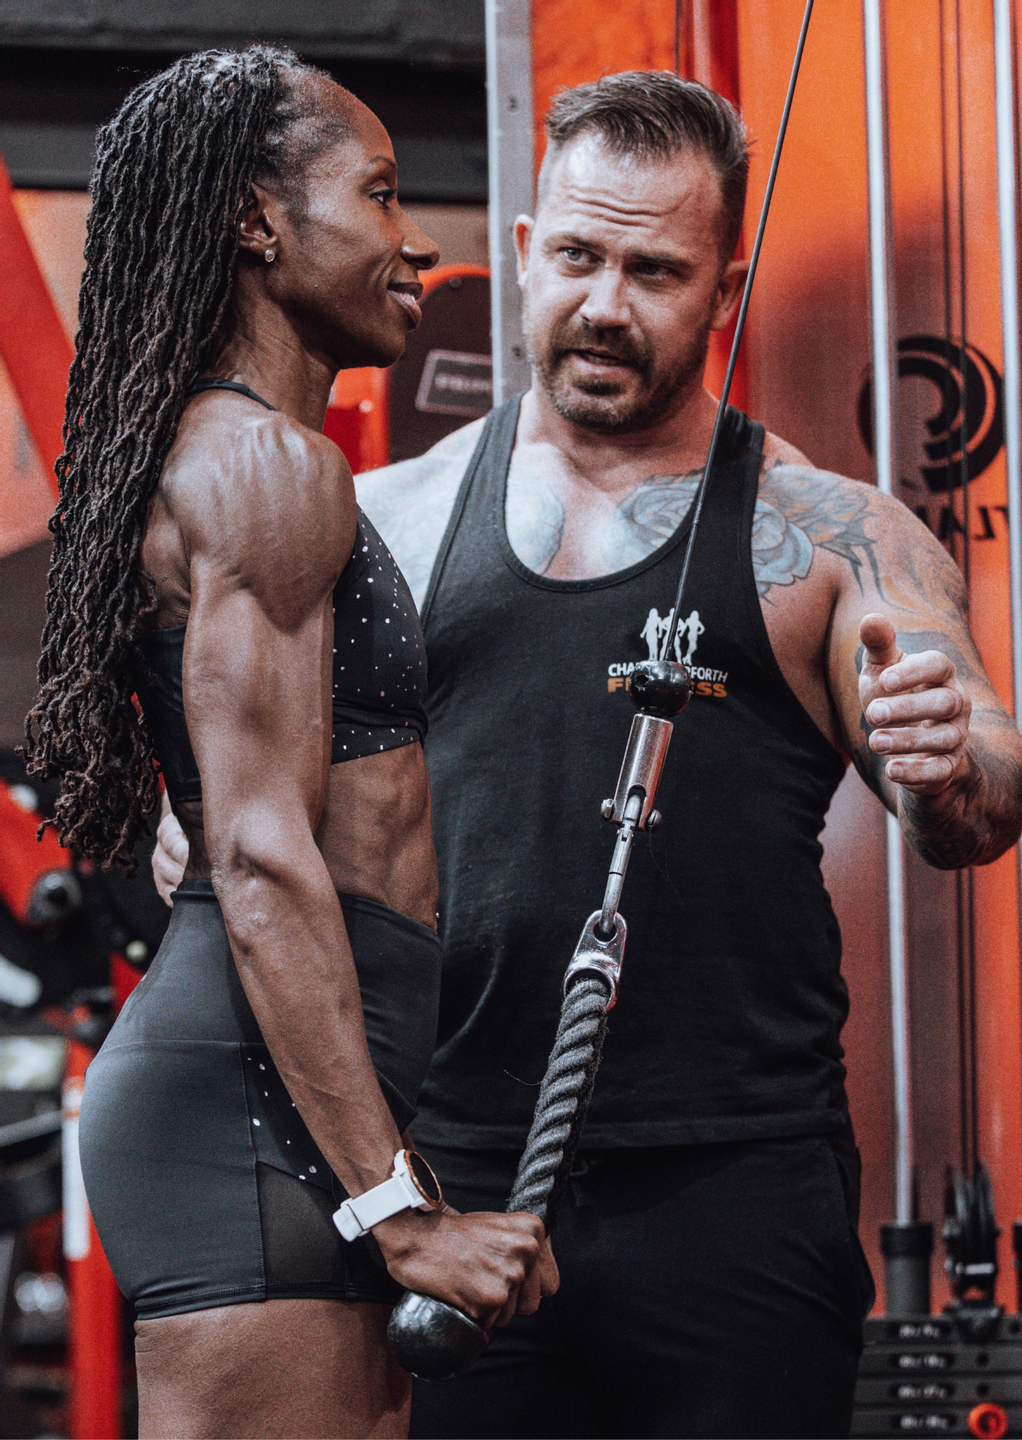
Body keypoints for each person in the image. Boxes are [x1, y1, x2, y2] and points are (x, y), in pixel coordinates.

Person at [155, 72, 1022, 1439]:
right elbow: (253, 816)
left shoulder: (829, 534)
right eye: (576, 256)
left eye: (655, 271)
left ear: (724, 290)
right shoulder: (384, 522)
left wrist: (948, 756)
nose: (605, 303)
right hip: (454, 1170)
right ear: (522, 251)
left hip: (737, 1188)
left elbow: (976, 786)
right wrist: (207, 822)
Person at [25, 47, 555, 1440]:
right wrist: (400, 1211)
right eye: (378, 193)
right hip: (247, 1113)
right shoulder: (266, 466)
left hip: (304, 1102)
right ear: (258, 220)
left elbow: (231, 804)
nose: (415, 239)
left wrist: (391, 1178)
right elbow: (260, 857)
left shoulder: (245, 460)